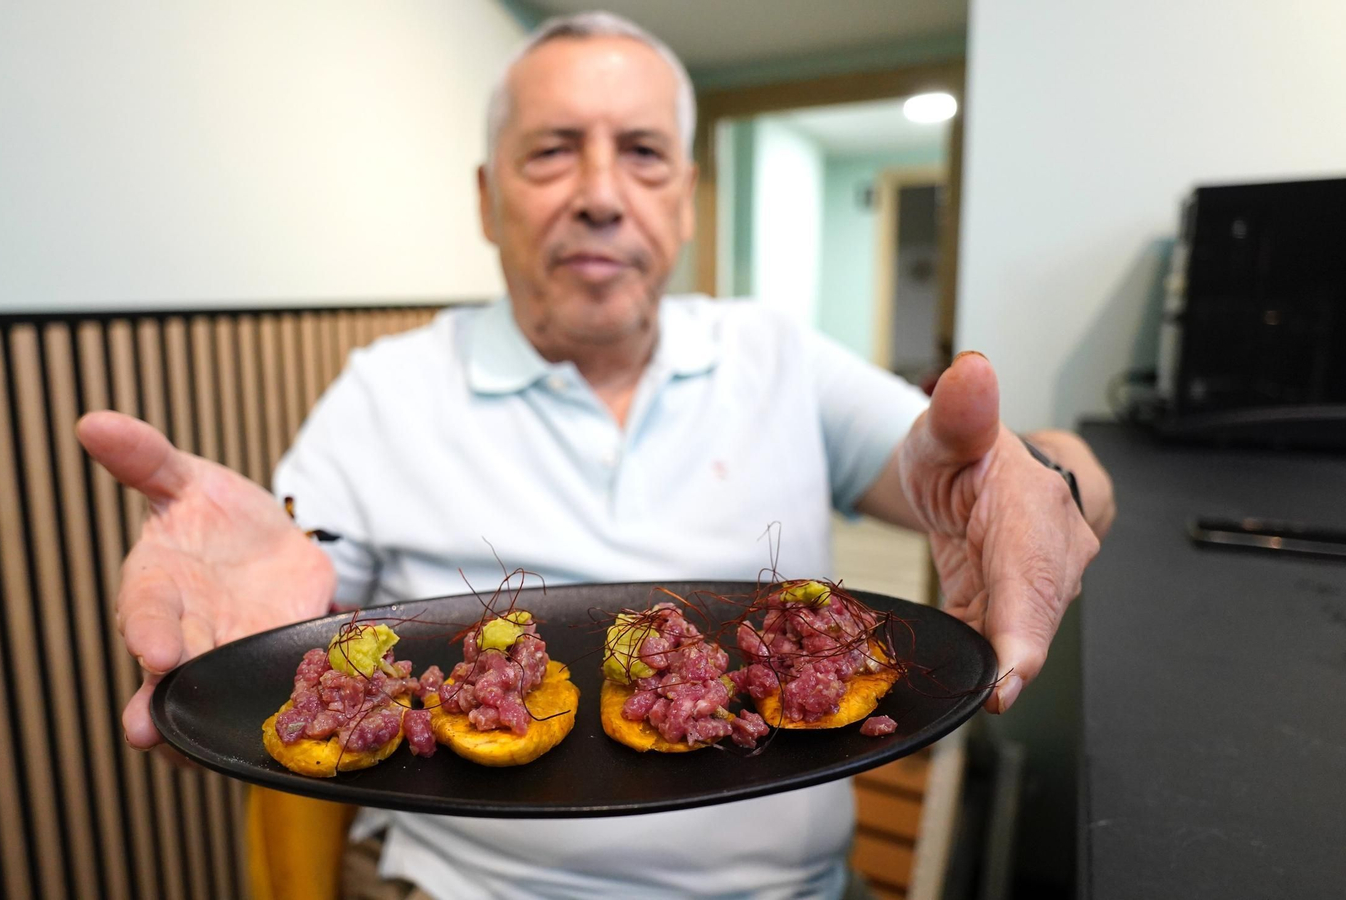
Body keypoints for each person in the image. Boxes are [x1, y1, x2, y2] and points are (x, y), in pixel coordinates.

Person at [78, 11, 1113, 899]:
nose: (601, 194)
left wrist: (1045, 476)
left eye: (644, 153)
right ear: (486, 198)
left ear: (687, 199)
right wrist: (245, 621)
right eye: (552, 150)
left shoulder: (777, 354)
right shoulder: (381, 392)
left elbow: (977, 468)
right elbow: (297, 576)